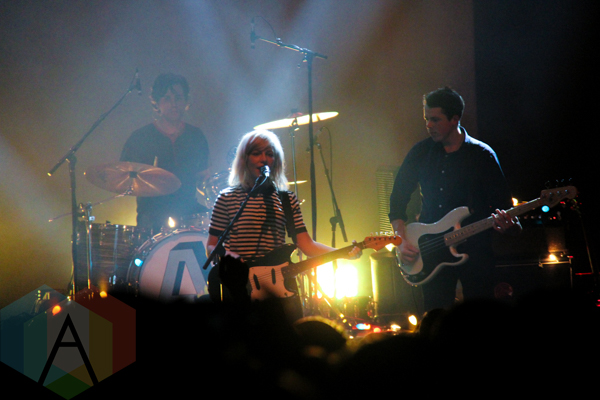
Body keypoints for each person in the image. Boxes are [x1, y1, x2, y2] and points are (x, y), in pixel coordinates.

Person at [389, 87, 521, 312]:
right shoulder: (420, 153)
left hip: (476, 253)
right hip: (430, 252)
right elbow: (397, 200)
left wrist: (509, 225)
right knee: (436, 320)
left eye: (435, 119)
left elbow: (504, 208)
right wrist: (401, 241)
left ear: (454, 119)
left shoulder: (482, 155)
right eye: (426, 119)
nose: (428, 125)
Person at [206, 130, 361, 318]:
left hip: (281, 287)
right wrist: (230, 256)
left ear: (276, 161)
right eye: (256, 153)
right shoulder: (226, 198)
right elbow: (212, 245)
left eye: (269, 154)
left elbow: (306, 245)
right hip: (241, 288)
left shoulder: (286, 199)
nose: (264, 159)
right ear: (244, 159)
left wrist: (344, 253)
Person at [120, 73, 209, 233]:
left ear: (186, 101)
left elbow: (203, 179)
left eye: (178, 98)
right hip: (152, 217)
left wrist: (216, 191)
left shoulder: (196, 136)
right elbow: (125, 179)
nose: (174, 104)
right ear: (156, 102)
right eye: (167, 98)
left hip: (188, 214)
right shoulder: (140, 138)